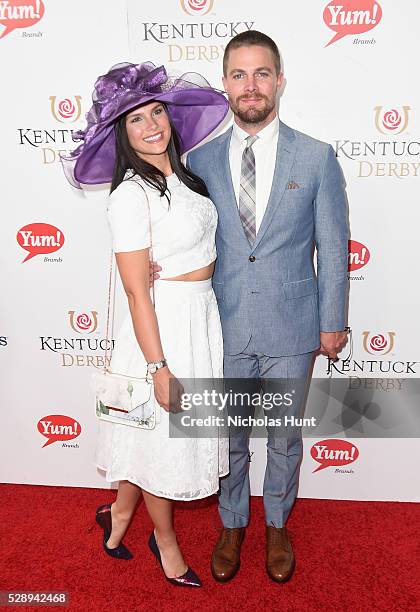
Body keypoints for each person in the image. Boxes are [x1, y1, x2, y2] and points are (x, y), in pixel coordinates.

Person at [155, 31, 349, 583]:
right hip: (223, 321)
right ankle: (233, 522)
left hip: (293, 324)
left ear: (280, 80)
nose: (251, 86)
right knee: (230, 436)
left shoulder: (316, 157)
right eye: (239, 75)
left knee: (284, 437)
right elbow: (185, 235)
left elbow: (334, 246)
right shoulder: (198, 160)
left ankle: (278, 524)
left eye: (261, 73)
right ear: (225, 84)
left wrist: (332, 321)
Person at [62, 62, 229, 588]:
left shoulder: (187, 179)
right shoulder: (129, 195)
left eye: (157, 112)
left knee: (147, 438)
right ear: (122, 135)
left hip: (199, 317)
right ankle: (168, 542)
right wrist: (159, 366)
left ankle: (119, 516)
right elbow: (136, 289)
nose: (151, 125)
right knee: (159, 439)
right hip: (161, 329)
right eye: (136, 120)